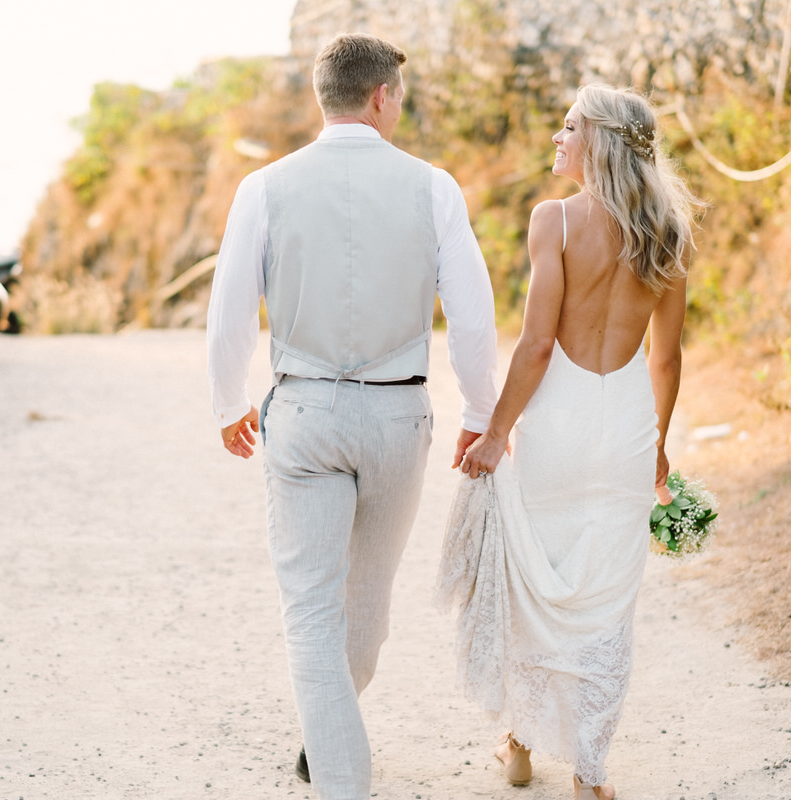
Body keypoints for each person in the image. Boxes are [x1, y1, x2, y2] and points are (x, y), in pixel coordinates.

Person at [206, 33, 499, 800]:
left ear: (321, 95)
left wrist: (228, 402)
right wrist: (479, 408)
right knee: (364, 616)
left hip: (302, 410)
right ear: (381, 96)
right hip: (399, 414)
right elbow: (472, 316)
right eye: (400, 95)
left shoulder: (263, 187)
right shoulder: (433, 187)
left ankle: (327, 748)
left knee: (316, 618)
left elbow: (229, 308)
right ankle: (339, 771)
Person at [439, 84, 702, 800]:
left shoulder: (553, 220)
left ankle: (520, 745)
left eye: (569, 127)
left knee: (538, 585)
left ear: (602, 142)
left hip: (555, 422)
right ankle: (590, 773)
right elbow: (667, 358)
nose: (558, 138)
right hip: (624, 425)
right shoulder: (670, 233)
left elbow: (535, 343)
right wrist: (656, 443)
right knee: (608, 600)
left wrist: (496, 434)